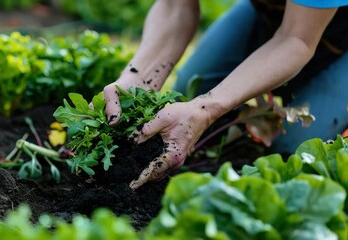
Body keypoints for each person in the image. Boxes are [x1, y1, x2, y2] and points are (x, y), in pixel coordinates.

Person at [103, 0, 348, 189]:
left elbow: (297, 39)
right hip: (278, 13)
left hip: (318, 31)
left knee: (297, 153)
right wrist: (139, 77)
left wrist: (207, 109)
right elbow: (174, 7)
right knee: (192, 86)